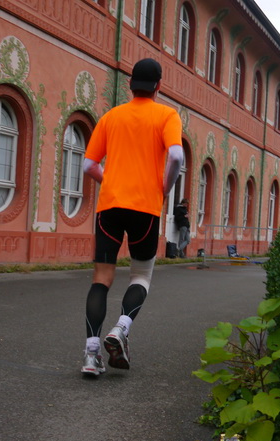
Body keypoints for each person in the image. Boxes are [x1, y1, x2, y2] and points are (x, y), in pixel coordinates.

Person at [80, 58, 184, 376]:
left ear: (130, 84)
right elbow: (176, 155)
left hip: (109, 206)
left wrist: (109, 180)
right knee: (140, 277)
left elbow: (88, 165)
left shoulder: (111, 116)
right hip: (145, 208)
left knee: (101, 279)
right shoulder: (167, 115)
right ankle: (121, 328)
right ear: (158, 86)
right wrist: (164, 188)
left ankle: (91, 355)